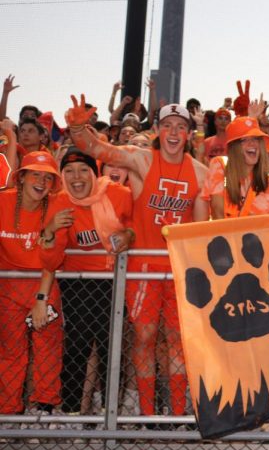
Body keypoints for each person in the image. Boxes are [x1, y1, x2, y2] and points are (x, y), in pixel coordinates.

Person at [68, 96, 209, 417]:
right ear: (158, 129)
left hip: (178, 269)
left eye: (181, 127)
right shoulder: (141, 159)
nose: (174, 132)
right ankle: (146, 413)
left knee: (176, 340)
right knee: (144, 338)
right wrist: (77, 126)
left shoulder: (200, 174)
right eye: (168, 126)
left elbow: (201, 228)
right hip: (143, 267)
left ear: (189, 133)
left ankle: (174, 414)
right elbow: (98, 150)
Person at [40, 148, 134, 414]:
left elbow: (136, 224)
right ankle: (71, 413)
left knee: (111, 347)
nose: (76, 177)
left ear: (95, 172)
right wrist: (49, 231)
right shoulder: (59, 202)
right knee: (77, 346)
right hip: (77, 283)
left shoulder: (119, 195)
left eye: (83, 170)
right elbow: (50, 261)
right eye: (69, 171)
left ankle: (110, 412)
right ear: (62, 175)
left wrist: (130, 233)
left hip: (113, 281)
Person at [0, 151, 65, 416]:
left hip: (44, 286)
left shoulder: (58, 206)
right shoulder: (3, 202)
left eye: (48, 178)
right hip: (8, 289)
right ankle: (9, 414)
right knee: (10, 354)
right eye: (35, 174)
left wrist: (41, 301)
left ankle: (44, 413)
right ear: (22, 177)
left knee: (47, 352)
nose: (41, 182)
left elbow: (52, 259)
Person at [201, 116, 269, 219]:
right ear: (234, 147)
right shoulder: (219, 164)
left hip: (251, 233)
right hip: (219, 232)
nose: (252, 144)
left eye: (256, 139)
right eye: (244, 140)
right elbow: (217, 210)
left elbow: (254, 220)